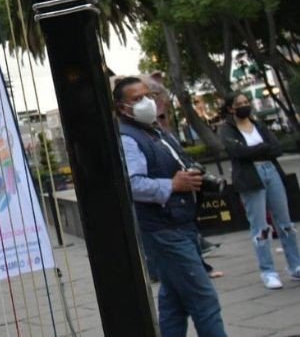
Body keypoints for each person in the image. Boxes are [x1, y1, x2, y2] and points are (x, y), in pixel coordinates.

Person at [114, 76, 227, 337]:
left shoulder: (155, 131)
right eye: (136, 99)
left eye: (148, 96)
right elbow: (131, 184)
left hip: (180, 224)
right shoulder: (129, 138)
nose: (146, 103)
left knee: (174, 300)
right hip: (164, 230)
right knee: (204, 299)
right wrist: (172, 185)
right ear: (122, 108)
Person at [219, 90, 300, 289]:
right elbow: (237, 152)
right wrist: (262, 148)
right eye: (239, 103)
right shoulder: (226, 129)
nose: (245, 105)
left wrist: (257, 150)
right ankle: (268, 271)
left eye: (246, 101)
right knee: (260, 226)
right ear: (230, 108)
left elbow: (276, 148)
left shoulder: (258, 125)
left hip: (271, 171)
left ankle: (295, 265)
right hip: (250, 176)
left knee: (285, 222)